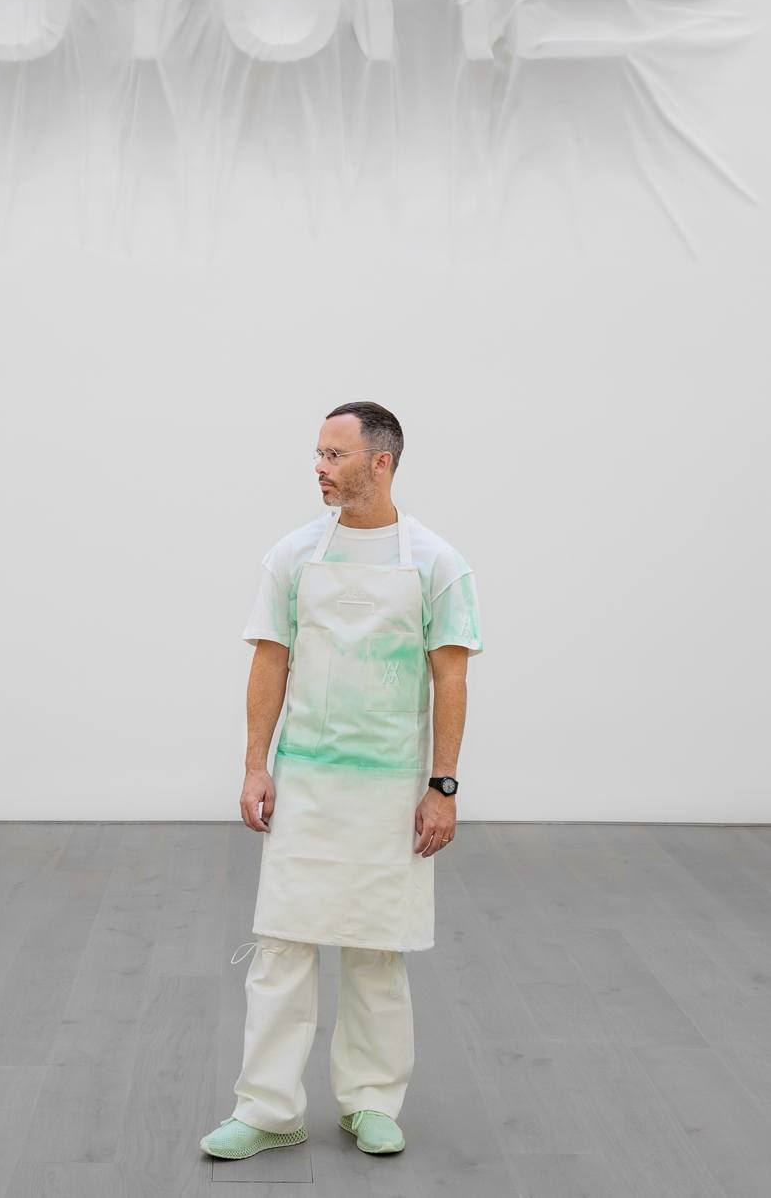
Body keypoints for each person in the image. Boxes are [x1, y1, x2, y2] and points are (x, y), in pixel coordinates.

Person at [200, 400, 483, 1162]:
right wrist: (256, 765)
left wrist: (442, 785)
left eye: (333, 454)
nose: (319, 467)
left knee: (374, 950)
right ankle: (266, 1109)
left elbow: (448, 677)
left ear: (379, 462)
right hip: (307, 786)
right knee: (283, 947)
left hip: (392, 790)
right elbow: (270, 659)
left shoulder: (435, 563)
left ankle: (370, 1103)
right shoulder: (292, 556)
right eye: (318, 454)